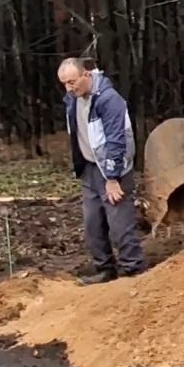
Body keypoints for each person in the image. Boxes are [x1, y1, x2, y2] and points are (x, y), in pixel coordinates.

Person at [59, 57, 146, 284]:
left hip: (113, 170)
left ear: (86, 74)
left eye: (72, 82)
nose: (69, 88)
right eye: (64, 83)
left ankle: (133, 271)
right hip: (89, 168)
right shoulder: (73, 99)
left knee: (119, 223)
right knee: (93, 224)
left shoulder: (109, 100)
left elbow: (117, 140)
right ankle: (105, 270)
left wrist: (113, 177)